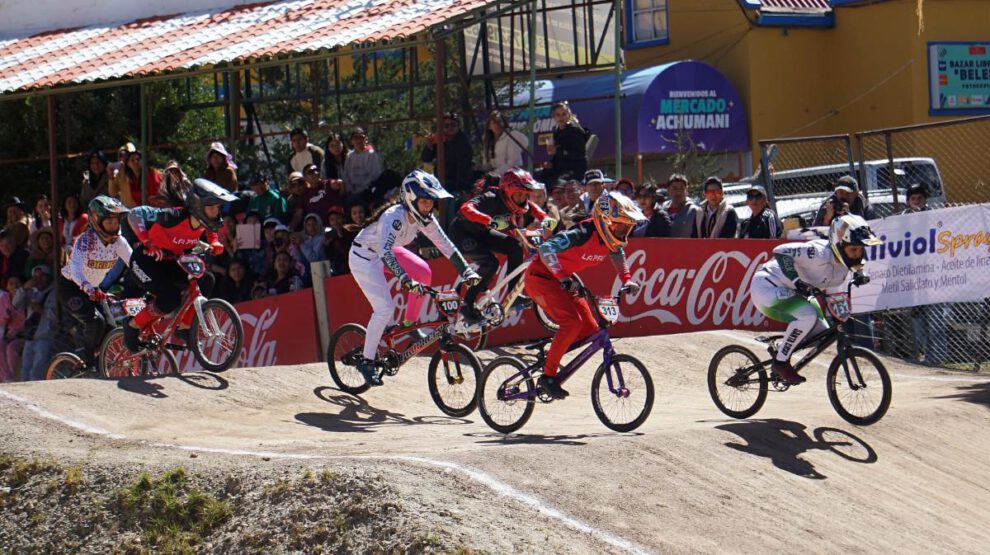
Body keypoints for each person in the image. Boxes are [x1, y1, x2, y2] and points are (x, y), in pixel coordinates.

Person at [348, 170, 481, 386]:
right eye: (426, 200)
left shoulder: (425, 218)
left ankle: (409, 325)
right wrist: (404, 279)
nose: (430, 206)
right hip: (364, 256)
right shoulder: (394, 217)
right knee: (385, 309)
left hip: (387, 250)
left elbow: (445, 244)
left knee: (423, 272)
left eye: (432, 201)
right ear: (411, 198)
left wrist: (466, 271)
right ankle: (367, 360)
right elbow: (385, 253)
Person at [525, 191, 644, 399]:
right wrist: (562, 277)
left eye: (628, 228)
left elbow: (617, 252)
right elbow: (545, 249)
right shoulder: (582, 233)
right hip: (541, 277)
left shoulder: (610, 240)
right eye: (620, 226)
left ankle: (551, 353)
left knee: (590, 329)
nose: (624, 232)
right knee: (571, 323)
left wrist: (627, 279)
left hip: (564, 281)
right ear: (605, 222)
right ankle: (548, 376)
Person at [749, 214, 881, 384]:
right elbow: (780, 251)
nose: (857, 254)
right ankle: (780, 363)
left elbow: (856, 266)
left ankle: (782, 348)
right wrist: (797, 281)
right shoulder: (817, 253)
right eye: (853, 249)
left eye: (860, 249)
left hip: (794, 292)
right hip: (767, 286)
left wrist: (861, 274)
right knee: (808, 316)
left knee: (820, 331)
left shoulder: (845, 261)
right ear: (839, 245)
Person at [121, 179, 237, 352]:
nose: (216, 212)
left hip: (172, 261)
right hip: (145, 262)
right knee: (170, 297)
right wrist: (147, 241)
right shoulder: (173, 216)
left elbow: (210, 230)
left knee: (206, 280)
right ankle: (132, 326)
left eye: (217, 208)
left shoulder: (203, 221)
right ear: (198, 206)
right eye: (211, 208)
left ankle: (184, 328)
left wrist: (214, 243)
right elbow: (134, 214)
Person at [448, 168, 548, 326]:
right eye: (519, 194)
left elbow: (532, 208)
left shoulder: (515, 202)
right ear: (508, 191)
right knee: (491, 263)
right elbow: (465, 209)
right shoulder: (490, 197)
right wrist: (488, 221)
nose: (522, 199)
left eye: (525, 195)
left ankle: (514, 295)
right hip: (462, 234)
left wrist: (546, 218)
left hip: (482, 232)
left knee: (515, 246)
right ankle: (467, 305)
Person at [58, 196, 132, 368]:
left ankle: (101, 365)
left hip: (94, 289)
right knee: (95, 321)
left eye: (116, 222)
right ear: (97, 221)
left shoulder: (119, 242)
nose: (114, 226)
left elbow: (134, 262)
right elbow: (76, 269)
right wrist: (88, 288)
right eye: (109, 222)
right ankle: (87, 360)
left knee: (111, 328)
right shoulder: (86, 240)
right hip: (72, 288)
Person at [17, 265, 56, 381]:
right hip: (30, 336)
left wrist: (43, 311)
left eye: (42, 276)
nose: (38, 280)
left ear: (49, 277)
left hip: (45, 337)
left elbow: (59, 317)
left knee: (36, 371)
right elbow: (15, 304)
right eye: (35, 277)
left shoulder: (56, 292)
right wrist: (24, 288)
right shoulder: (31, 292)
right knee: (25, 370)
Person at [536, 101, 588, 184]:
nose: (561, 117)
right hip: (560, 169)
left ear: (568, 115)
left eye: (564, 114)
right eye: (558, 115)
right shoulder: (557, 132)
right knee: (538, 175)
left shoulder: (575, 131)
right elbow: (558, 156)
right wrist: (551, 163)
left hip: (574, 170)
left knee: (556, 182)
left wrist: (557, 151)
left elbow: (579, 154)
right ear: (554, 117)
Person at [812, 175, 877, 227]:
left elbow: (872, 230)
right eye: (840, 192)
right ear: (836, 193)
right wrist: (827, 218)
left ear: (856, 193)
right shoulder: (828, 204)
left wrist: (849, 217)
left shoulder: (864, 206)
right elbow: (816, 232)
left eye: (847, 193)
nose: (844, 196)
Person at [481, 110, 528, 176]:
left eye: (499, 122)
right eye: (494, 122)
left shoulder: (511, 137)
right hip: (497, 177)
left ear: (504, 123)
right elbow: (487, 164)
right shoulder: (488, 141)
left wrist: (495, 174)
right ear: (489, 126)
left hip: (512, 177)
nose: (497, 125)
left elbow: (513, 163)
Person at [342, 128, 383, 201]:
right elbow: (346, 174)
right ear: (351, 141)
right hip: (351, 192)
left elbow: (374, 175)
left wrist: (360, 190)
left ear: (365, 140)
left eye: (361, 137)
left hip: (367, 191)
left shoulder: (372, 155)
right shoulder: (349, 156)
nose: (359, 140)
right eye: (355, 138)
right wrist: (350, 189)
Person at [662, 174, 700, 238]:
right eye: (674, 188)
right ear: (668, 190)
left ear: (687, 190)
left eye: (682, 188)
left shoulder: (695, 211)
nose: (678, 192)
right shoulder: (662, 209)